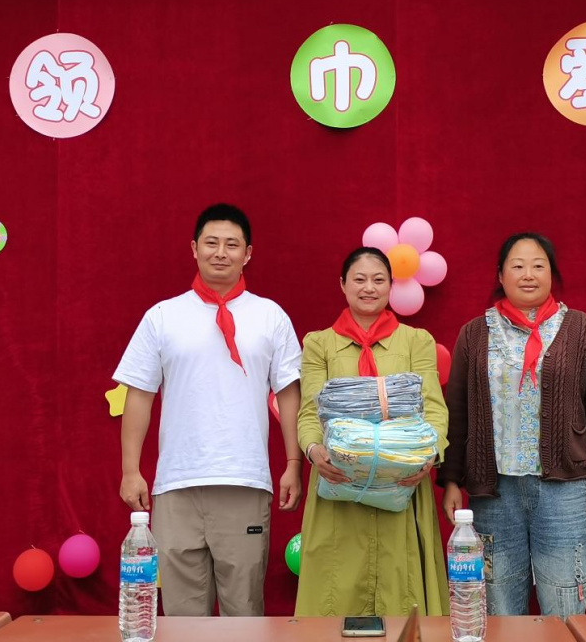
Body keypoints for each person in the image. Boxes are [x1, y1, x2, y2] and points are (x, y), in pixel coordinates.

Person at [113, 203, 304, 617]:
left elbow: (289, 393)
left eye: (232, 244)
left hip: (244, 481)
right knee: (181, 614)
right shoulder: (162, 316)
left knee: (244, 611)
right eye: (211, 242)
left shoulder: (270, 316)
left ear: (247, 253)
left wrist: (293, 463)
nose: (220, 252)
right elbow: (139, 394)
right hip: (176, 484)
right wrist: (131, 470)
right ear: (194, 248)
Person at [438, 233, 586, 619]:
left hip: (565, 491)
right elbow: (457, 411)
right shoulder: (474, 334)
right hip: (494, 492)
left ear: (551, 274)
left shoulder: (581, 328)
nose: (528, 274)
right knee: (500, 603)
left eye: (538, 266)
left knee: (564, 603)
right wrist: (452, 480)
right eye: (517, 266)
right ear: (500, 275)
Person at [295, 247, 450, 617]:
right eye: (360, 279)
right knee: (335, 597)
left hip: (403, 484)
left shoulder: (417, 341)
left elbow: (433, 408)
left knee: (402, 598)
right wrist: (315, 451)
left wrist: (426, 458)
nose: (369, 288)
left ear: (391, 286)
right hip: (339, 485)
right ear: (343, 284)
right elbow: (309, 411)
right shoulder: (319, 343)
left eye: (379, 280)